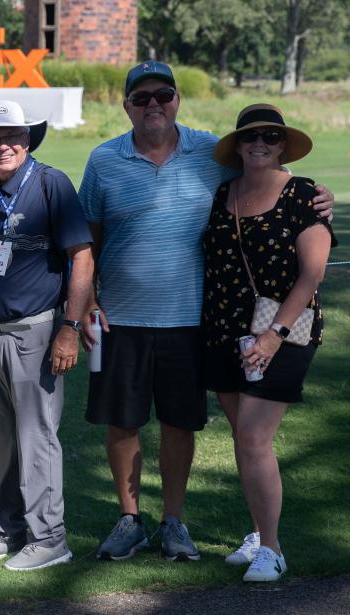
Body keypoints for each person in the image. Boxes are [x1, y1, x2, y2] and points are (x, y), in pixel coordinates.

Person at [78, 61, 334, 562]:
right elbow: (89, 239)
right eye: (142, 97)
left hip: (192, 320)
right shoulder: (103, 160)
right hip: (121, 318)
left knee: (178, 423)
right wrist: (86, 299)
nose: (154, 104)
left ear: (177, 100)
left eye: (164, 95)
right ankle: (130, 520)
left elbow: (269, 175)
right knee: (121, 423)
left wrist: (315, 196)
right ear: (126, 104)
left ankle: (174, 521)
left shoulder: (211, 152)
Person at [0, 101, 94, 571]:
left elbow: (81, 256)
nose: (3, 145)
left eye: (12, 135)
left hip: (35, 332)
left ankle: (49, 538)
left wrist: (70, 329)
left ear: (29, 139)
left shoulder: (51, 183)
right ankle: (7, 530)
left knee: (37, 438)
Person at [203, 104, 333, 581]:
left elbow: (312, 273)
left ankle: (272, 550)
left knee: (255, 437)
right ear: (238, 145)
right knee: (244, 439)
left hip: (283, 331)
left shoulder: (303, 195)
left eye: (271, 137)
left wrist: (275, 335)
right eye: (251, 136)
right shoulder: (223, 193)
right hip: (224, 330)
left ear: (283, 145)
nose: (261, 143)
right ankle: (259, 532)